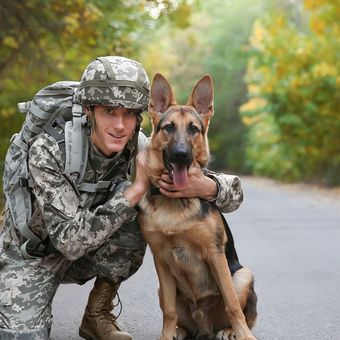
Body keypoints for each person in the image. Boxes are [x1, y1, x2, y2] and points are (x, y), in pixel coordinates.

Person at [0, 56, 244, 340]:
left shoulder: (139, 144)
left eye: (129, 114)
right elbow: (69, 241)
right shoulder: (49, 150)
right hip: (35, 253)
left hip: (91, 247)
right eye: (109, 111)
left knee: (143, 216)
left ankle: (97, 314)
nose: (119, 125)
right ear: (89, 110)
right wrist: (137, 189)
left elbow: (232, 196)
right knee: (21, 336)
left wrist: (208, 187)